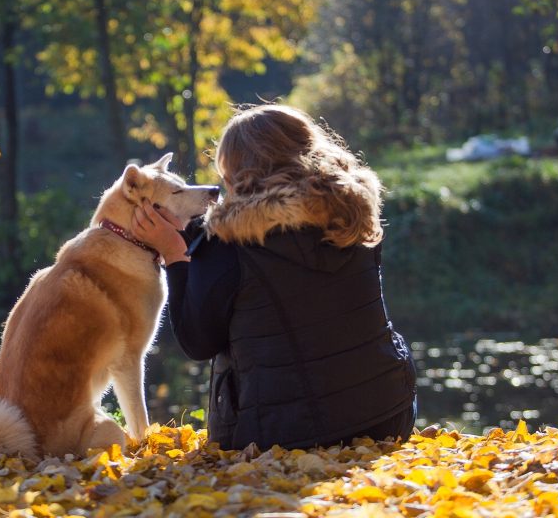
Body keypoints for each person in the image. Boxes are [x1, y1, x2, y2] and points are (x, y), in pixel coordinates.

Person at [132, 104, 417, 450]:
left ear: (239, 173)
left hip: (281, 433)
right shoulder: (351, 213)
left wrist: (176, 255)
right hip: (389, 415)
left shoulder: (228, 242)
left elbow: (198, 342)